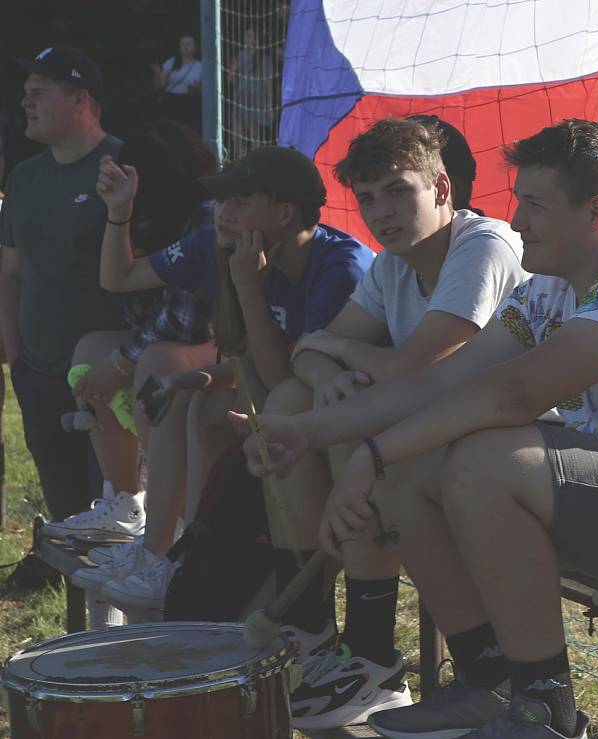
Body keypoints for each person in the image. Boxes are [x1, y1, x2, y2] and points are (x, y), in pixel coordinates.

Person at [237, 120, 598, 738]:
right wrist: (309, 433)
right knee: (413, 467)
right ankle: (488, 680)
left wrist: (368, 451)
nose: (517, 219)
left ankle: (543, 711)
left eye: (534, 204)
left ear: (595, 211)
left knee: (487, 460)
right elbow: (438, 383)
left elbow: (514, 393)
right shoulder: (550, 290)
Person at [245, 118, 526, 731]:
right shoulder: (394, 264)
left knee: (351, 418)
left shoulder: (485, 245)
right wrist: (324, 370)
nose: (382, 213)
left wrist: (332, 352)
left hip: (506, 437)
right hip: (440, 425)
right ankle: (311, 626)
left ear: (442, 189)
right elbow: (308, 355)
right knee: (295, 398)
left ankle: (373, 654)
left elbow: (415, 367)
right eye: (368, 198)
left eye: (399, 191)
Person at [69, 145, 374, 613]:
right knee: (189, 400)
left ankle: (208, 567)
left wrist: (247, 287)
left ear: (285, 212)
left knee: (217, 401)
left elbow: (283, 376)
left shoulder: (340, 268)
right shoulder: (219, 242)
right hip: (287, 397)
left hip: (342, 422)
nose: (222, 213)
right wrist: (119, 212)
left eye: (238, 202)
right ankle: (180, 556)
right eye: (221, 201)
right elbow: (119, 278)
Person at [39, 120, 219, 546]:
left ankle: (169, 525)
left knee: (156, 365)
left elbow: (191, 323)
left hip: (219, 347)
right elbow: (115, 283)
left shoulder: (208, 216)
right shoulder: (141, 215)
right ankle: (125, 503)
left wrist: (121, 363)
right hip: (170, 342)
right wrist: (119, 213)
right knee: (90, 350)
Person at [0, 46, 125, 525]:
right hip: (38, 374)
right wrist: (18, 364)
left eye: (39, 93)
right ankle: (77, 594)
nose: (25, 103)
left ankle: (114, 602)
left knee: (115, 509)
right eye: (24, 94)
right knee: (66, 512)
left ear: (81, 101)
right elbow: (9, 275)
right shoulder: (25, 178)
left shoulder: (125, 165)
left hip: (109, 376)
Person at [228, 28, 274, 157]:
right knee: (237, 134)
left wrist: (269, 106)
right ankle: (239, 161)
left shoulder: (264, 58)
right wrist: (233, 70)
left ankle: (256, 162)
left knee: (254, 135)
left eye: (251, 36)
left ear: (257, 39)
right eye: (246, 35)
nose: (248, 39)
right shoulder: (238, 55)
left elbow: (268, 83)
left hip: (257, 99)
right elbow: (230, 79)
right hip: (241, 98)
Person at [151, 34, 203, 132]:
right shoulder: (171, 62)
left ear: (195, 47)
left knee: (186, 131)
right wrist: (158, 75)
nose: (186, 47)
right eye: (183, 44)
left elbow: (204, 91)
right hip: (171, 101)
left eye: (189, 44)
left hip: (189, 102)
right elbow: (159, 86)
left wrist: (197, 89)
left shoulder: (200, 66)